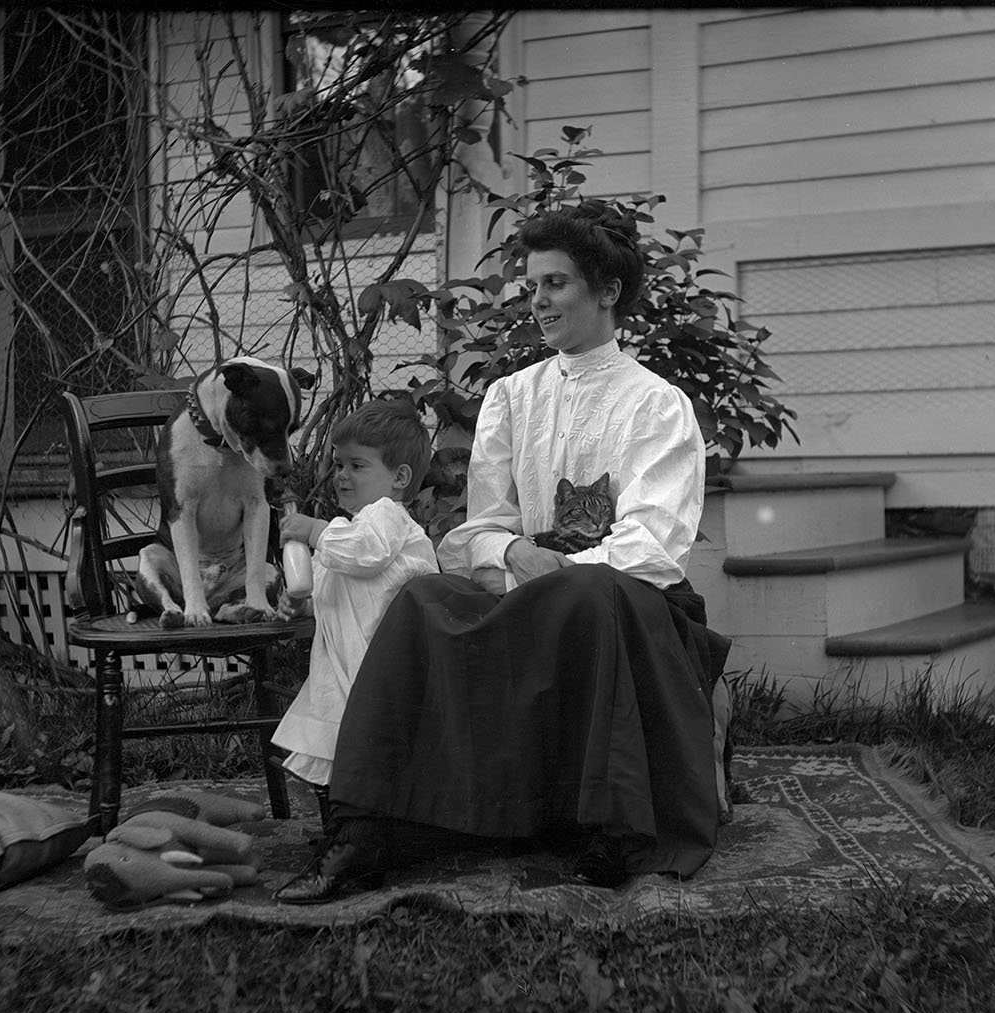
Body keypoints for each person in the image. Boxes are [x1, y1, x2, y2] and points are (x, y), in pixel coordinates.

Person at [274, 201, 730, 905]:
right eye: (533, 283)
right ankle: (367, 827)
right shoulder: (513, 396)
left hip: (627, 603)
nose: (538, 300)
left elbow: (653, 548)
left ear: (606, 292)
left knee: (586, 592)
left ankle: (610, 822)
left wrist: (556, 570)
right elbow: (477, 530)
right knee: (425, 596)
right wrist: (515, 550)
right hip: (523, 581)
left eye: (556, 283)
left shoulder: (656, 404)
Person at [269, 399, 439, 818]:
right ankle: (341, 825)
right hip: (343, 661)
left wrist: (313, 529)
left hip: (385, 660)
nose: (341, 475)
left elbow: (366, 553)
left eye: (357, 466)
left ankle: (368, 827)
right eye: (338, 464)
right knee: (333, 745)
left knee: (370, 748)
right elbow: (329, 585)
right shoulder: (347, 531)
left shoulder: (388, 517)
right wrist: (300, 603)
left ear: (400, 478)